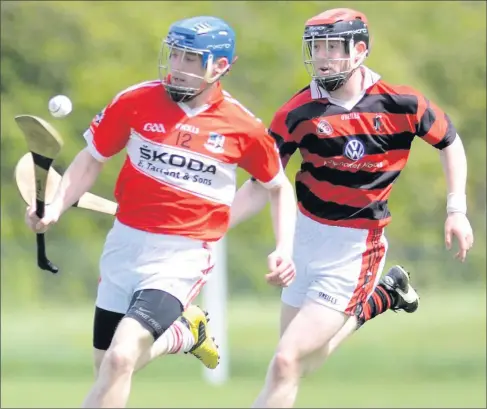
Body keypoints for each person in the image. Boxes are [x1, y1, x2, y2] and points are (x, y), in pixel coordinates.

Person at [24, 16, 297, 408]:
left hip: (181, 256)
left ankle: (180, 329)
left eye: (191, 59)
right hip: (123, 244)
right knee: (107, 367)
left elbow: (277, 187)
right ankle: (185, 333)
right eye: (175, 56)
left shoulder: (243, 127)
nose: (178, 67)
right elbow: (91, 160)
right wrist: (54, 208)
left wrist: (283, 248)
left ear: (220, 67)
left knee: (121, 356)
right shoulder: (135, 101)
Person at [229, 7, 474, 408]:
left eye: (332, 47)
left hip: (356, 248)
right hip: (305, 238)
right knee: (297, 363)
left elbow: (450, 143)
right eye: (316, 47)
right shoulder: (296, 113)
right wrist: (215, 225)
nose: (322, 57)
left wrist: (456, 209)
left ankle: (378, 290)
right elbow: (262, 184)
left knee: (286, 361)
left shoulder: (401, 103)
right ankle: (385, 295)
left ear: (359, 50)